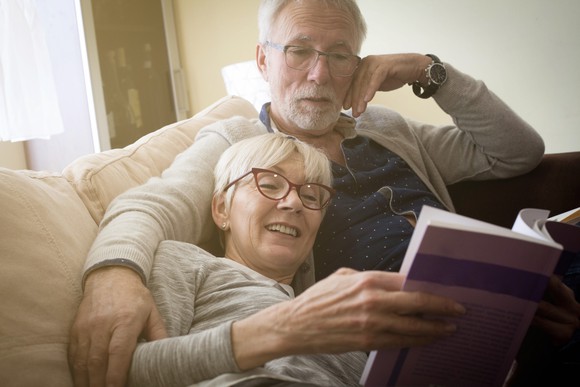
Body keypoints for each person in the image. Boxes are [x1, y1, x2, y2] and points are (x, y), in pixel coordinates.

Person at [68, 0, 580, 386]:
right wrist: (114, 274)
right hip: (394, 343)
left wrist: (429, 71)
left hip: (493, 309)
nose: (319, 74)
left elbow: (517, 153)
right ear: (263, 60)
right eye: (299, 51)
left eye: (339, 55)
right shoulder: (239, 145)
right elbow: (152, 204)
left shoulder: (386, 127)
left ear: (358, 66)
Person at [129, 132, 377, 386]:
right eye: (269, 184)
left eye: (311, 196)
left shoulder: (332, 319)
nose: (294, 202)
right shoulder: (186, 263)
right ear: (222, 208)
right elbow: (123, 370)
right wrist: (274, 332)